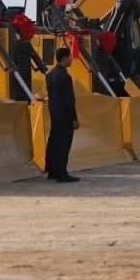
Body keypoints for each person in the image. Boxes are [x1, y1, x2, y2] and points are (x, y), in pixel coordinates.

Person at [45, 47, 80, 182]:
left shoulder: (50, 75)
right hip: (65, 116)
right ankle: (62, 173)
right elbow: (69, 100)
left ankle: (52, 171)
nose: (71, 59)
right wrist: (74, 118)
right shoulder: (65, 77)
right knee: (63, 144)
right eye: (70, 57)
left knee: (54, 142)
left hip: (54, 114)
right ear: (64, 58)